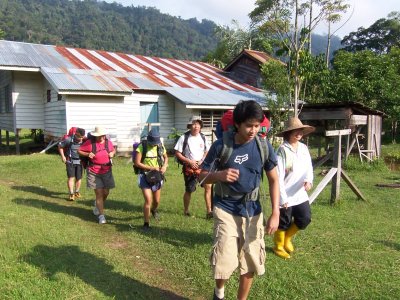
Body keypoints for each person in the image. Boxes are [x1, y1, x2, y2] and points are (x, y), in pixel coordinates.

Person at [199, 100, 280, 300]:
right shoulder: (221, 146)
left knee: (251, 259)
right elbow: (201, 176)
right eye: (248, 125)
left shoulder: (263, 147)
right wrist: (220, 175)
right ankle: (219, 292)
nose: (253, 130)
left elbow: (274, 179)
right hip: (226, 208)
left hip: (253, 211)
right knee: (224, 259)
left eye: (256, 125)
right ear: (237, 124)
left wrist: (276, 212)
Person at [273, 117, 315, 259]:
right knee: (283, 222)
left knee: (305, 218)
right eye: (295, 131)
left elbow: (309, 166)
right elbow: (277, 175)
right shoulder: (282, 150)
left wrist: (309, 180)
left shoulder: (303, 148)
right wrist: (282, 197)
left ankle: (287, 239)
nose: (298, 133)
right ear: (288, 133)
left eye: (300, 130)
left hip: (300, 193)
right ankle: (278, 246)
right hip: (285, 193)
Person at [175, 116, 213, 218]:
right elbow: (178, 153)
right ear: (190, 126)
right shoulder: (184, 137)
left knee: (208, 187)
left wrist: (202, 160)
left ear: (200, 126)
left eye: (198, 124)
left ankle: (209, 211)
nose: (196, 126)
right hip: (189, 167)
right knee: (189, 190)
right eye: (194, 124)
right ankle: (186, 211)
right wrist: (189, 161)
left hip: (203, 166)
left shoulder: (203, 137)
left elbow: (206, 151)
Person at [78, 126, 116, 224]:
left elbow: (113, 150)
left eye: (103, 135)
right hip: (93, 171)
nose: (102, 137)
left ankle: (97, 205)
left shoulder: (108, 142)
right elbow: (79, 150)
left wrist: (112, 153)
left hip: (107, 170)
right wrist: (87, 154)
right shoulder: (90, 143)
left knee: (106, 192)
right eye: (100, 136)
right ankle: (101, 216)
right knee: (99, 193)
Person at [134, 128, 168, 231]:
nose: (154, 145)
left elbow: (166, 157)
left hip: (157, 176)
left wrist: (165, 166)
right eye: (152, 143)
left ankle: (154, 210)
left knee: (156, 201)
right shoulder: (142, 146)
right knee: (148, 200)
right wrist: (151, 168)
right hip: (145, 176)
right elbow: (137, 163)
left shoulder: (160, 146)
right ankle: (146, 223)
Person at [58, 127, 86, 201]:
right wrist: (63, 156)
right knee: (71, 178)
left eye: (82, 137)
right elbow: (60, 146)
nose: (81, 139)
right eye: (80, 137)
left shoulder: (84, 140)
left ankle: (77, 192)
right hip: (70, 161)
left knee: (79, 178)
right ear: (76, 134)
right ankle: (71, 194)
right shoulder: (69, 139)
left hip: (80, 162)